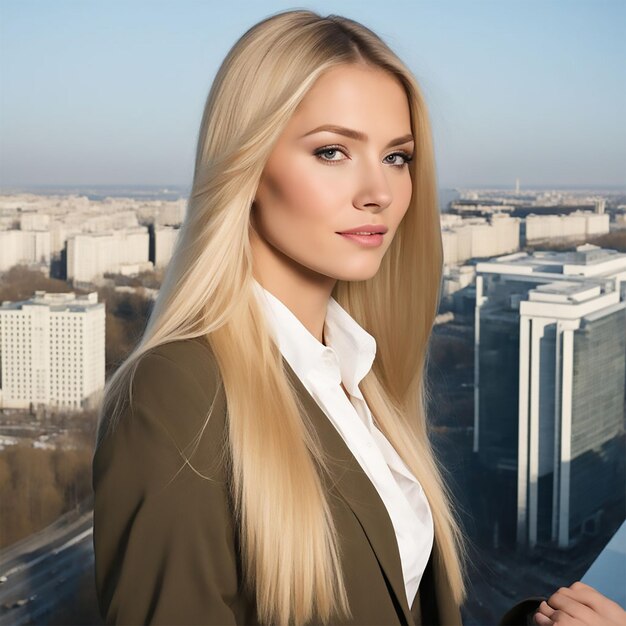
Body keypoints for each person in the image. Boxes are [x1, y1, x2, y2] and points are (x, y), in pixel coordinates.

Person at [91, 9, 626, 626]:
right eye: (333, 151)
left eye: (397, 157)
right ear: (247, 165)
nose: (379, 191)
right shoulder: (175, 393)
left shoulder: (357, 373)